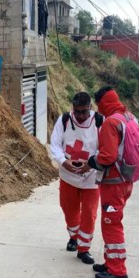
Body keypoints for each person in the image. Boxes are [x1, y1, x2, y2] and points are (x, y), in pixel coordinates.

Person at [87, 86, 135, 278]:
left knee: (111, 223)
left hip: (113, 182)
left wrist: (91, 161)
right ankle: (110, 262)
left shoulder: (110, 123)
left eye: (99, 105)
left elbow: (108, 156)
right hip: (126, 179)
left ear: (103, 103)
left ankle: (117, 269)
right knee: (111, 222)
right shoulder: (129, 118)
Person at [50, 92, 102, 265]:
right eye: (77, 111)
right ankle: (74, 236)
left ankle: (83, 249)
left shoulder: (100, 122)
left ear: (90, 108)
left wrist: (91, 164)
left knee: (89, 213)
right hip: (68, 176)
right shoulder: (64, 120)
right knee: (69, 209)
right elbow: (56, 144)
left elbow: (105, 148)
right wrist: (64, 162)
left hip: (91, 178)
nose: (80, 116)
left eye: (84, 112)